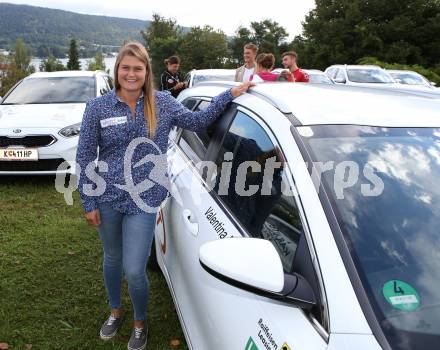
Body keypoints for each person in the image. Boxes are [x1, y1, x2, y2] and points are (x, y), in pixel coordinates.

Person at [76, 41, 254, 350]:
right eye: (125, 68)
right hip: (107, 197)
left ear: (147, 72)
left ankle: (140, 322)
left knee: (134, 268)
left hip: (145, 199)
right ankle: (116, 311)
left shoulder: (163, 103)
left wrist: (229, 94)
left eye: (138, 68)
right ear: (117, 70)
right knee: (112, 258)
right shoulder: (98, 108)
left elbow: (199, 122)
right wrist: (88, 201)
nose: (131, 74)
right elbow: (84, 157)